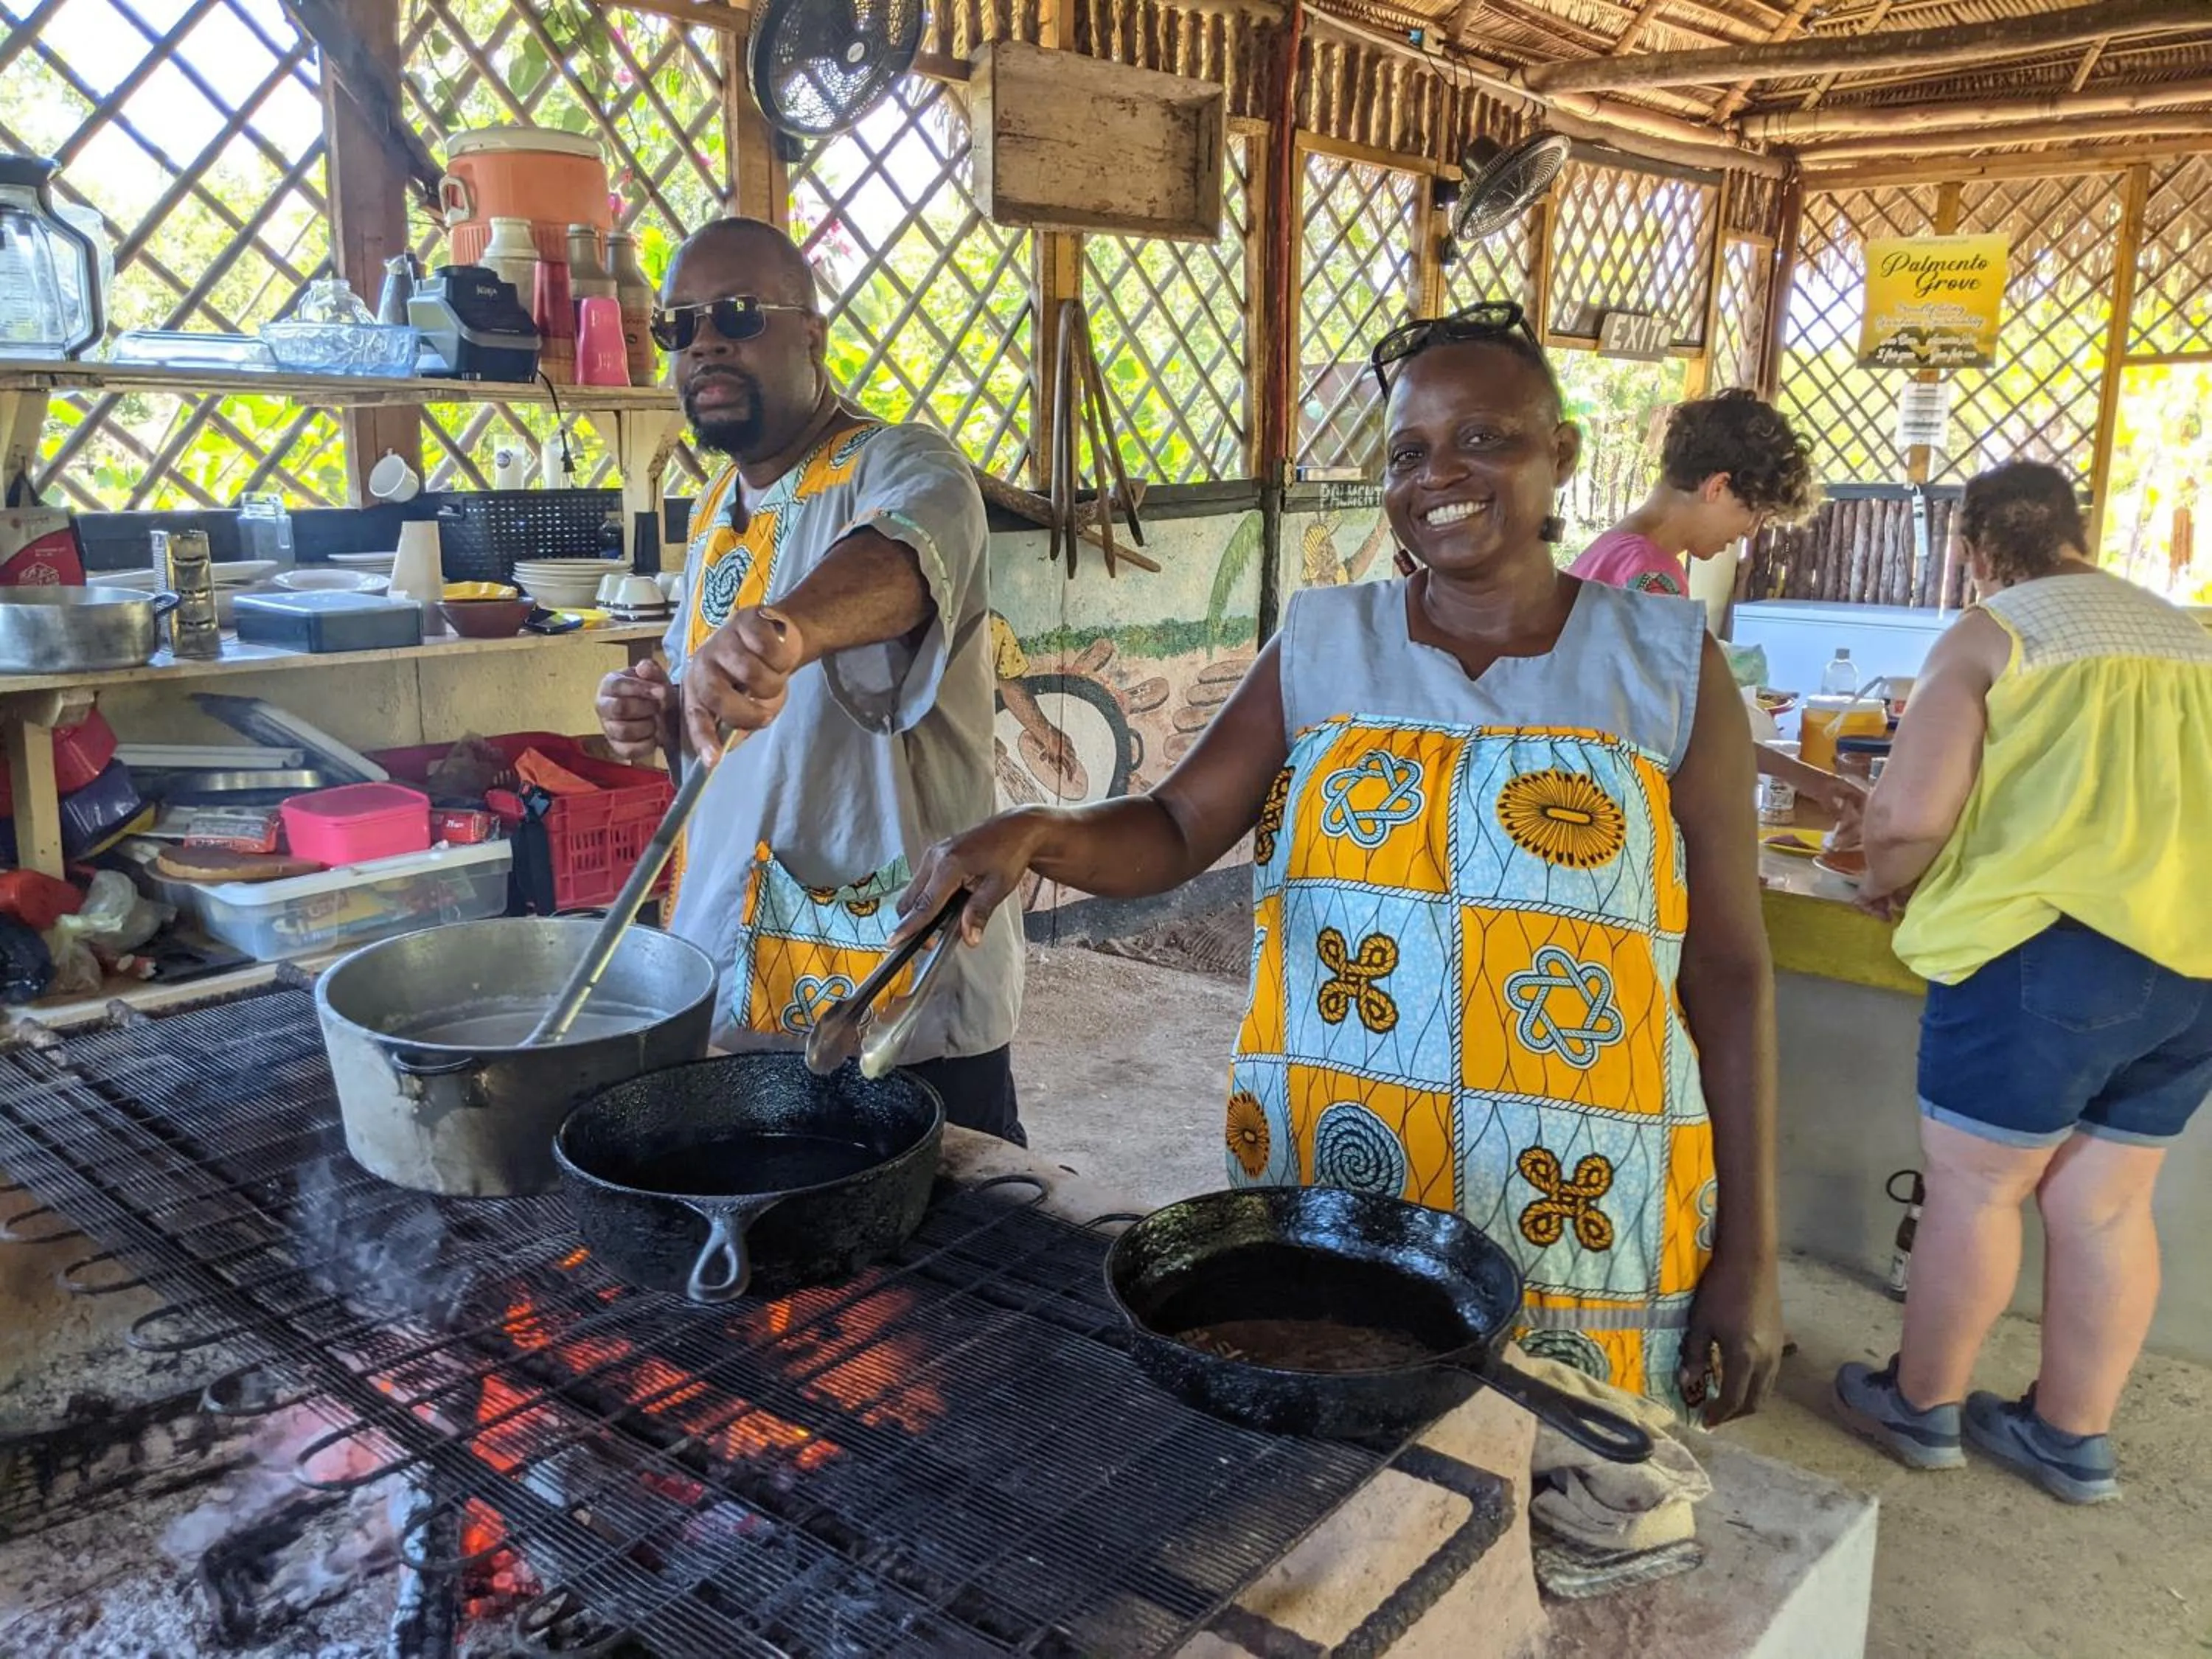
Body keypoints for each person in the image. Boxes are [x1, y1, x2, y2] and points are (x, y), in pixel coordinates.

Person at [896, 300, 1784, 1422]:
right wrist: (1038, 831)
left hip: (1584, 1195)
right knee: (1340, 1476)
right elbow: (1176, 825)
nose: (1439, 474)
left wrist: (1752, 1252)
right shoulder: (1325, 641)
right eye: (1408, 451)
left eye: (1485, 438)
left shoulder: (1664, 666)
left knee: (1562, 1491)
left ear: (1561, 452)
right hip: (1343, 1170)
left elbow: (1731, 970)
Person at [594, 217, 1025, 1143]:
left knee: (941, 1271)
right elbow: (716, 717)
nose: (704, 340)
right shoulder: (715, 507)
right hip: (742, 995)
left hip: (901, 1008)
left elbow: (902, 564)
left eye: (738, 315)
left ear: (814, 334)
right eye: (680, 326)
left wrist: (783, 631)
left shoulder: (904, 463)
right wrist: (658, 714)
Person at [1834, 460, 2212, 1503]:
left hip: (2048, 951)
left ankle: (1923, 1403)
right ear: (2080, 531)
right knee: (2107, 1203)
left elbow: (1906, 816)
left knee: (1977, 1187)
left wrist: (1885, 882)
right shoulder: (2190, 632)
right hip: (2195, 962)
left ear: (1973, 548)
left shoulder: (1999, 631)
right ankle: (2070, 1435)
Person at [1571, 391, 1863, 833]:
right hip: (1609, 815)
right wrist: (1809, 781)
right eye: (1754, 514)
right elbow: (1687, 735)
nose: (1749, 532)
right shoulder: (1653, 578)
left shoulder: (1610, 551)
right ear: (1718, 487)